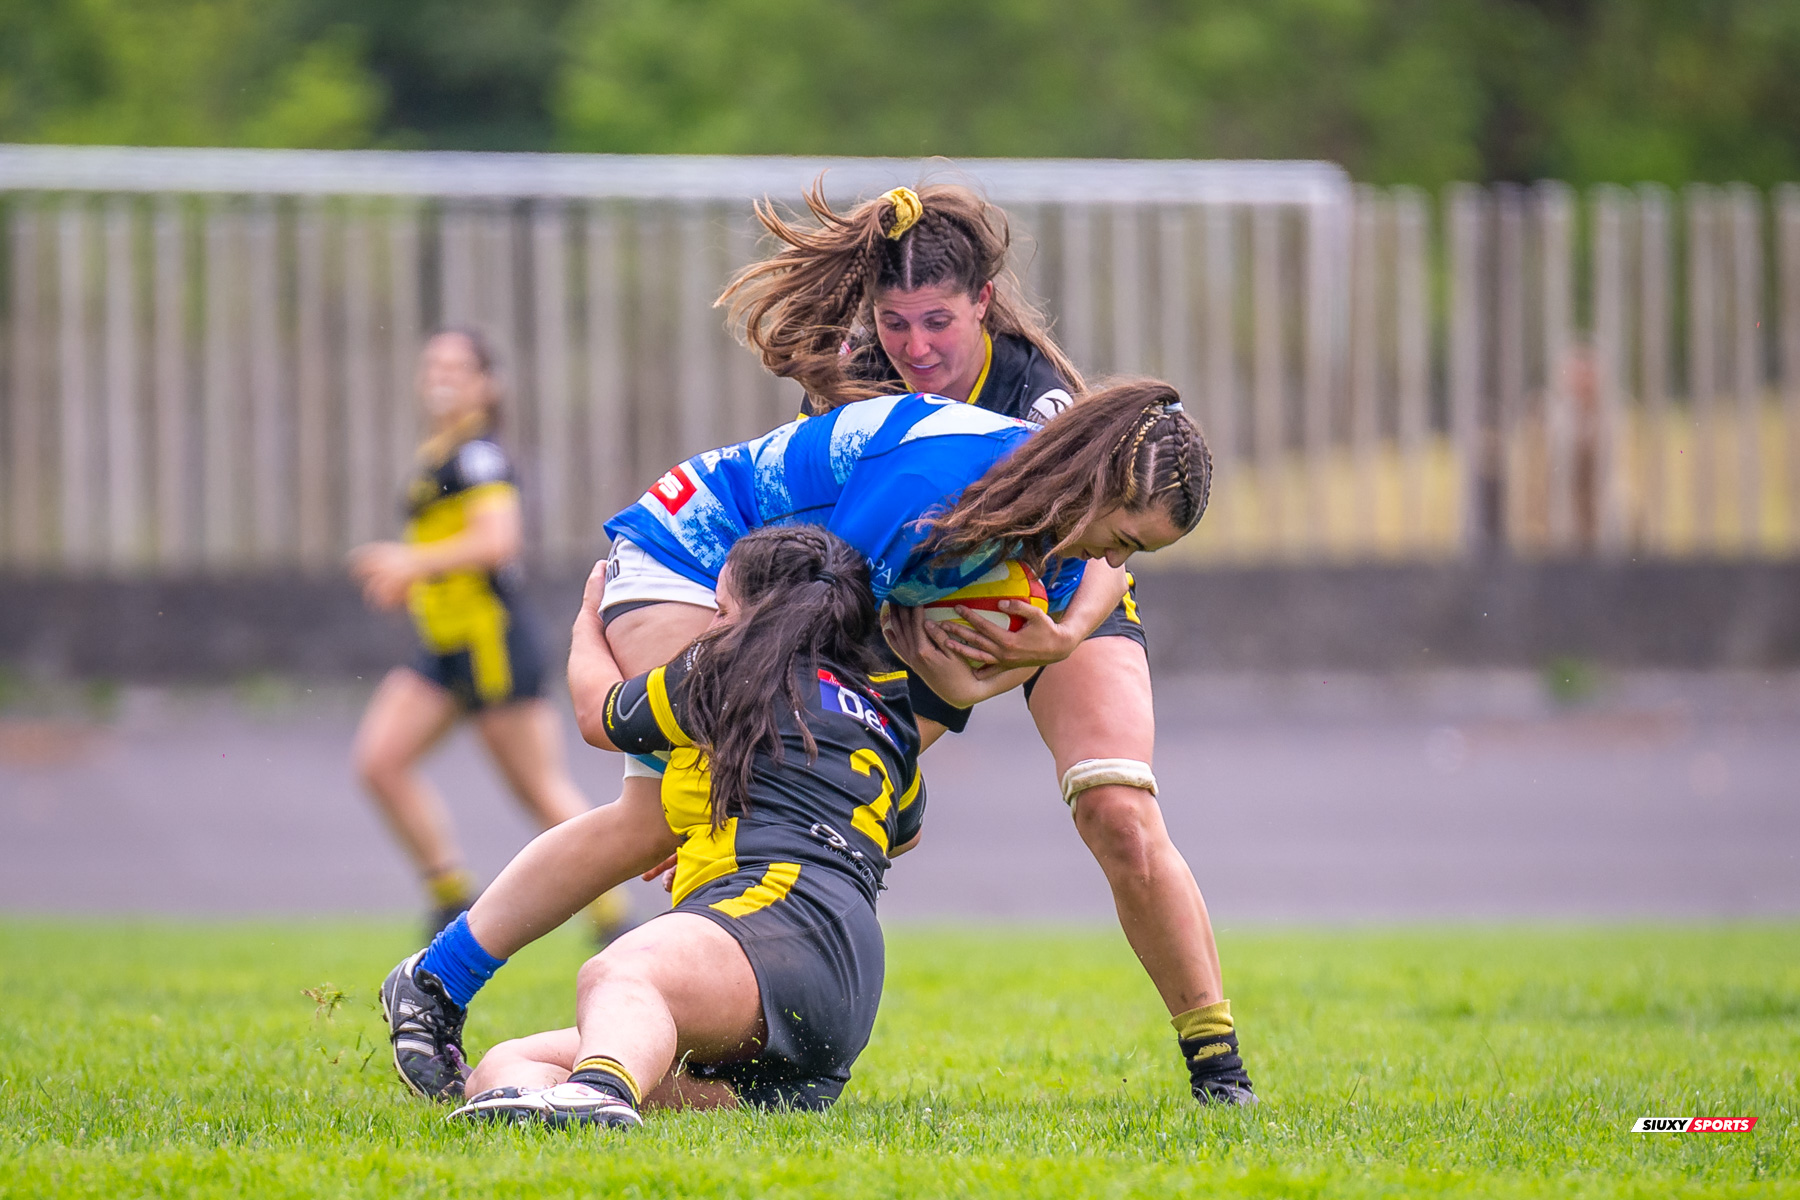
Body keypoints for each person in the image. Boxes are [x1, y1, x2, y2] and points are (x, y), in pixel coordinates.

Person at [381, 380, 1226, 1103]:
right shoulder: (937, 487)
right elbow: (810, 625)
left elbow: (919, 674)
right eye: (1123, 533)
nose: (1116, 556)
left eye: (1136, 550)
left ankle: (446, 985)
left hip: (791, 599)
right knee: (662, 814)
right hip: (695, 552)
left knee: (658, 819)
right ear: (1095, 479)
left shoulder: (1056, 516)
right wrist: (719, 773)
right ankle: (459, 990)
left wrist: (1063, 634)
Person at [719, 182, 1252, 1104]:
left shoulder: (1038, 398)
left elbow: (1110, 551)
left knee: (1115, 808)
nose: (916, 348)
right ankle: (727, 1020)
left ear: (984, 305)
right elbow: (836, 554)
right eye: (895, 323)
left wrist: (1062, 635)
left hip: (1060, 596)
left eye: (937, 323)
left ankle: (1217, 1063)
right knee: (798, 788)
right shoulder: (852, 373)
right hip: (928, 609)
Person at [446, 525, 922, 1125]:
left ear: (757, 614)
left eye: (720, 608)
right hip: (845, 970)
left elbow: (600, 714)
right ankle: (751, 1103)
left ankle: (599, 1093)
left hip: (777, 914)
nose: (713, 623)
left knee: (621, 970)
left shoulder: (733, 661)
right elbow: (903, 832)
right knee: (507, 1067)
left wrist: (587, 625)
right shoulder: (884, 704)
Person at [348, 328, 630, 940]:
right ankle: (451, 895)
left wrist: (410, 563)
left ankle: (610, 914)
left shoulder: (478, 455)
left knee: (537, 789)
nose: (441, 375)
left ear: (487, 384)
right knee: (381, 761)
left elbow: (497, 541)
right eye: (433, 364)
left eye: (458, 366)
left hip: (493, 644)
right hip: (445, 646)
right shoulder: (440, 451)